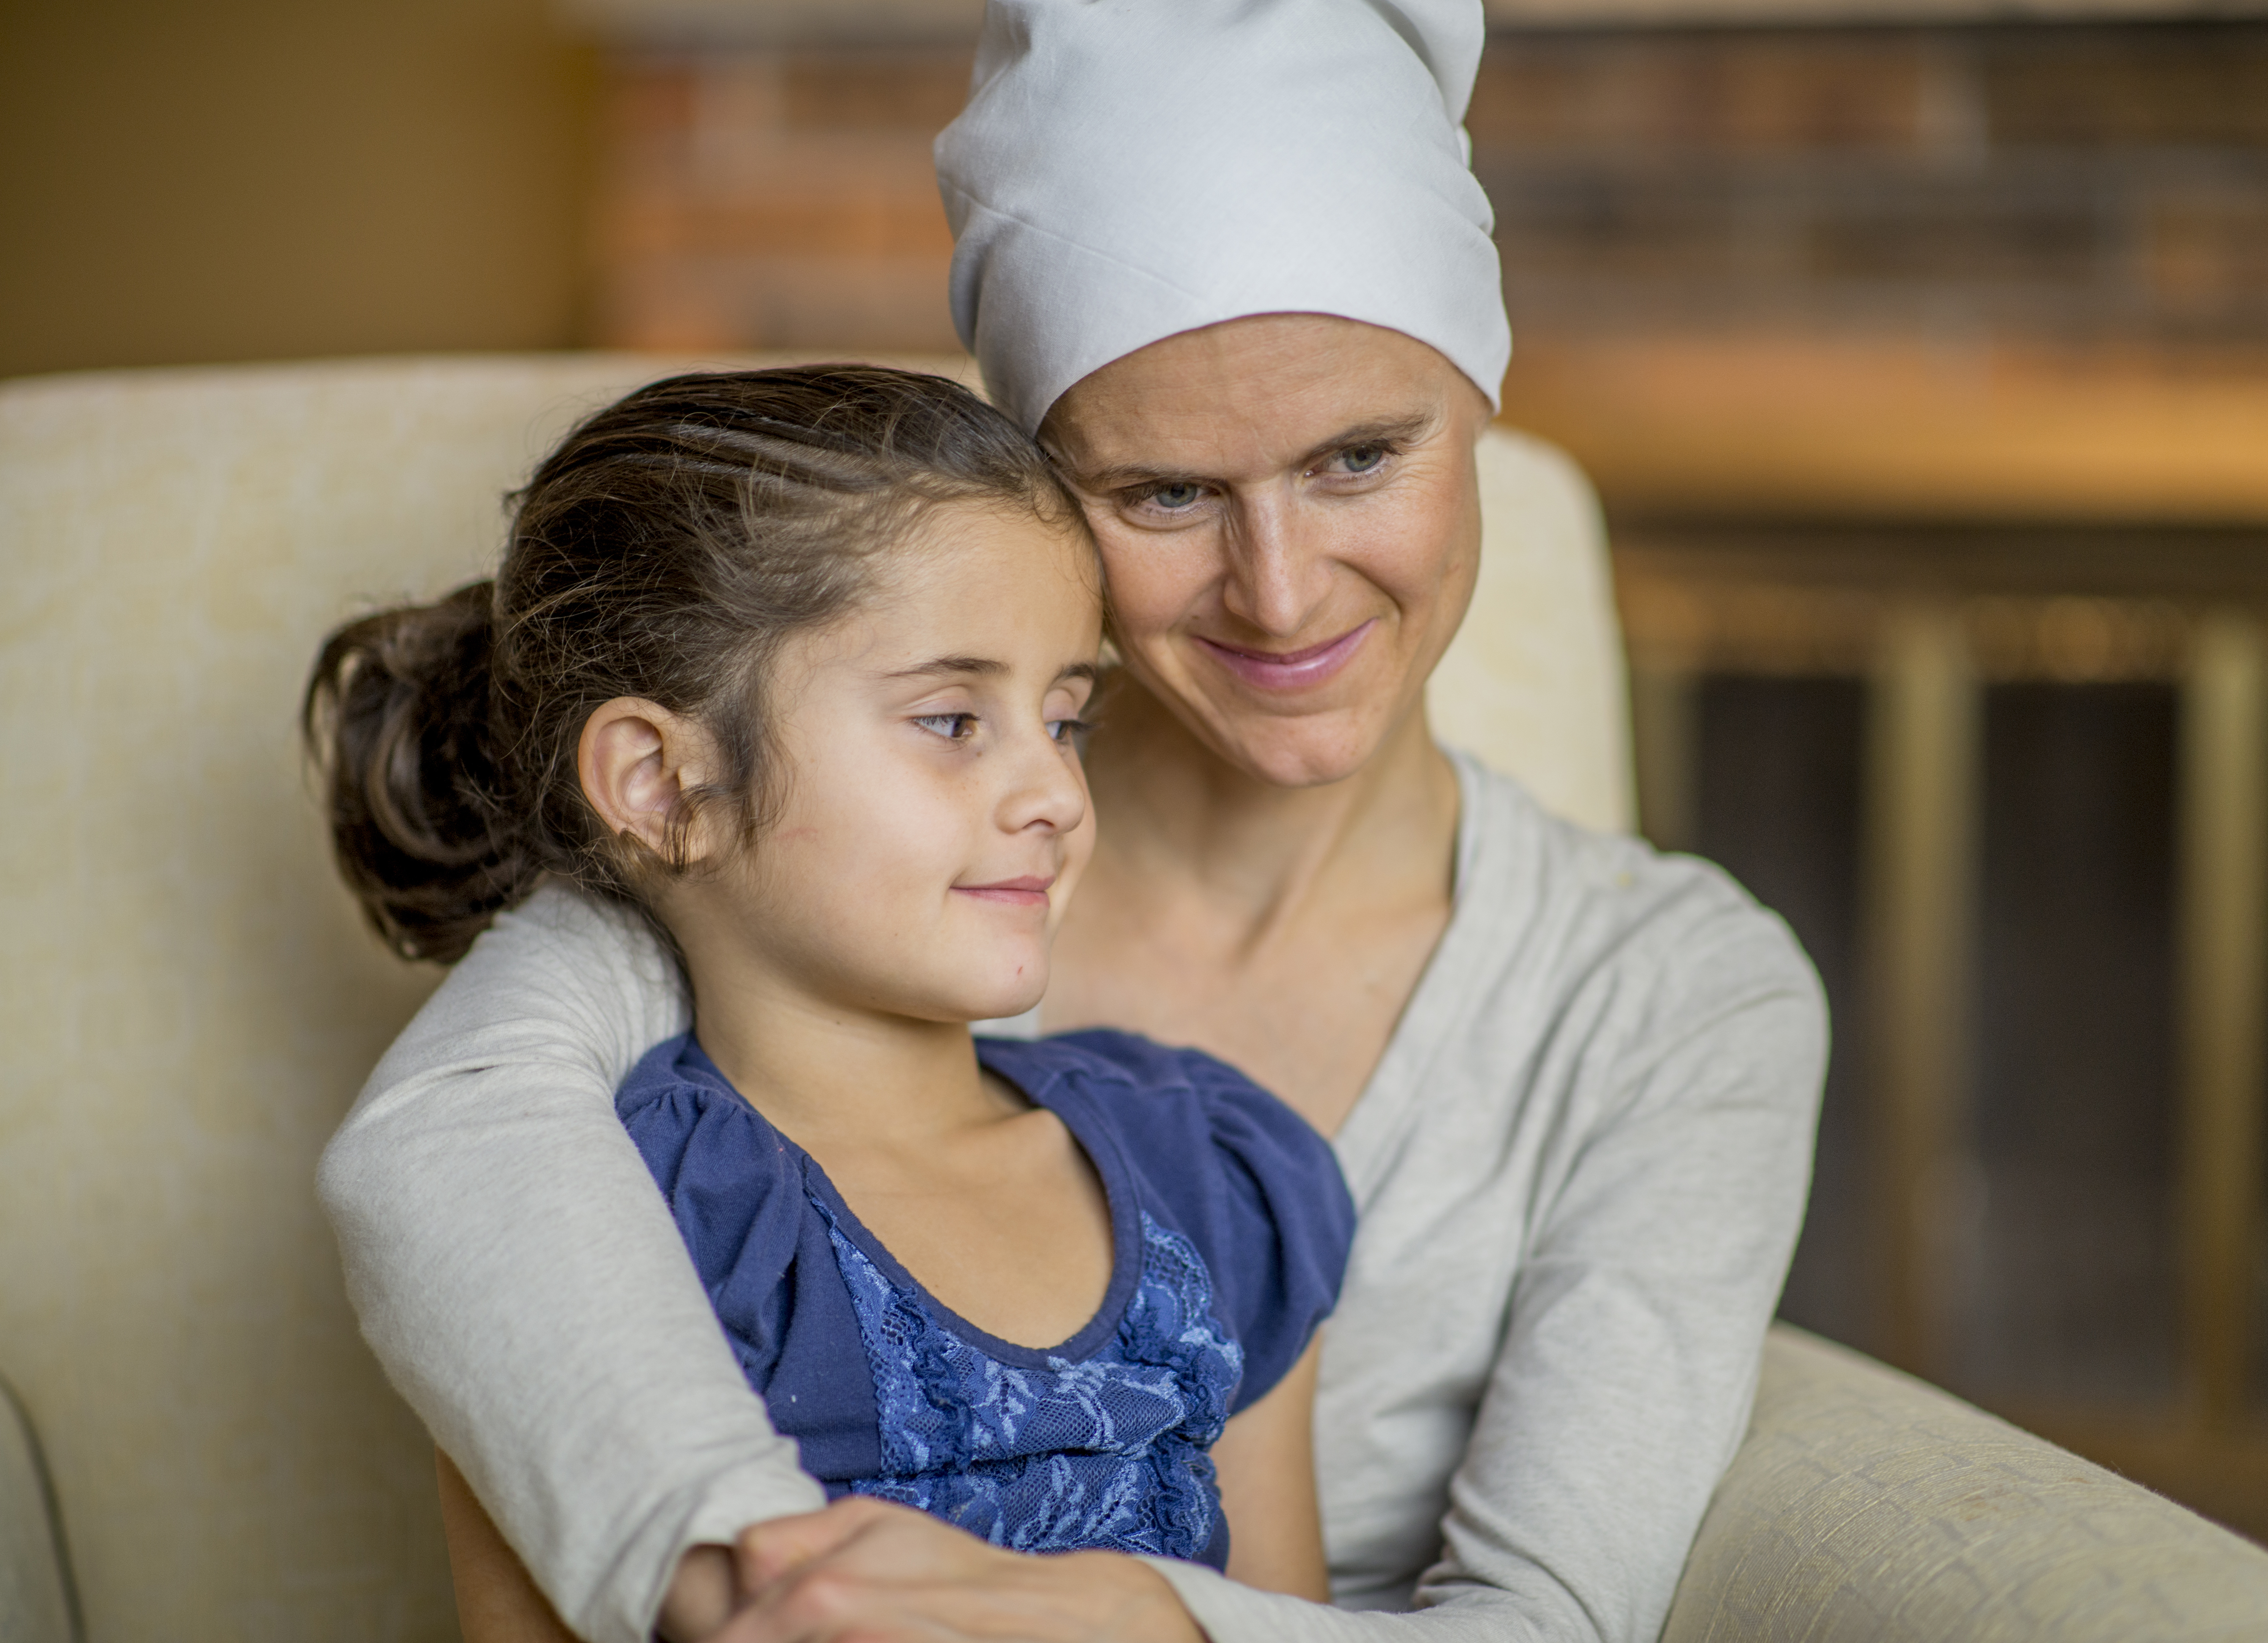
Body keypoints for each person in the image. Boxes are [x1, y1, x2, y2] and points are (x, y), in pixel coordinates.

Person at [317, 3, 1828, 1641]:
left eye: (1359, 456)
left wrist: (1094, 1613)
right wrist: (758, 1583)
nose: (1281, 587)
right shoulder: (803, 868)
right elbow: (442, 1145)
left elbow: (1552, 1626)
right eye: (1165, 492)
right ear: (1036, 501)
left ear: (1480, 416)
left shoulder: (1675, 993)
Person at [307, 366, 1353, 1636]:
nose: (1056, 796)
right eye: (953, 719)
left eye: (1065, 720)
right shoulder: (602, 1231)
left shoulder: (1208, 1166)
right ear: (661, 783)